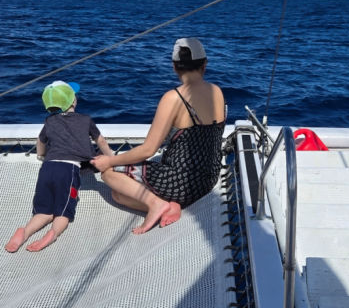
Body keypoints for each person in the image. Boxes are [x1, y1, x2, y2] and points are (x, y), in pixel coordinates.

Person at [91, 37, 226, 234]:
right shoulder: (217, 91)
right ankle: (170, 204)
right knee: (119, 196)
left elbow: (148, 150)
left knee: (109, 176)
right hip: (206, 179)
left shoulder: (174, 97)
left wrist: (110, 161)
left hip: (179, 183)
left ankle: (157, 204)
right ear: (204, 64)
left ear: (174, 67)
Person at [4, 81, 112, 253]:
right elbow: (101, 141)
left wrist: (41, 156)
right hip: (68, 170)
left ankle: (24, 232)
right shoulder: (86, 120)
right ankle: (52, 233)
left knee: (43, 212)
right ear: (73, 101)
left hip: (47, 168)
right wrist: (111, 157)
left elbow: (40, 142)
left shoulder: (49, 121)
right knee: (63, 213)